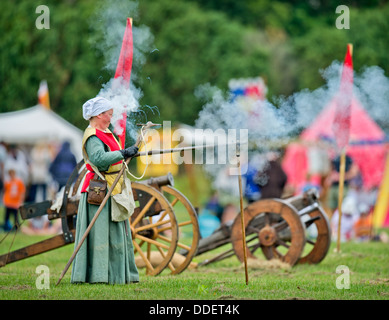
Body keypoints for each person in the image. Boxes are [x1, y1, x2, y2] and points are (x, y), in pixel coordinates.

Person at [71, 97, 139, 284]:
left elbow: (111, 156)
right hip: (99, 189)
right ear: (99, 114)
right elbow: (99, 158)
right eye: (109, 114)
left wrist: (126, 153)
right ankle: (99, 276)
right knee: (100, 233)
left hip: (113, 185)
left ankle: (117, 275)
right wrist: (123, 153)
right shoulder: (93, 135)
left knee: (116, 232)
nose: (111, 118)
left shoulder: (106, 132)